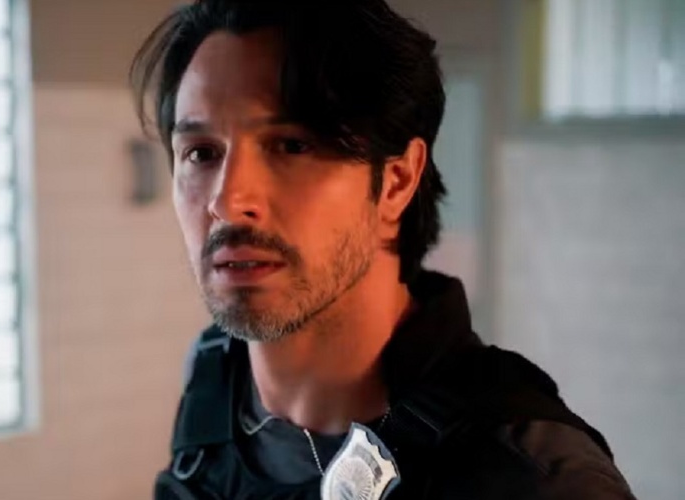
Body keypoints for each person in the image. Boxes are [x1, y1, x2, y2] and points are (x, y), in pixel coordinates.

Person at [130, 1, 636, 498]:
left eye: (291, 145)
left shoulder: (534, 476)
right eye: (201, 153)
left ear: (396, 182)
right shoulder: (215, 383)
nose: (227, 202)